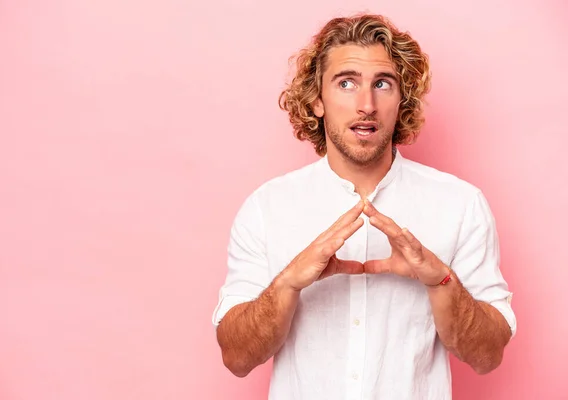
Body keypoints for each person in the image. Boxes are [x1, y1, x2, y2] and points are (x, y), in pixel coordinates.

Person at [211, 13, 516, 400]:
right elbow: (236, 358)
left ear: (401, 99)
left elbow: (487, 356)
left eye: (383, 84)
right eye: (346, 83)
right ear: (317, 100)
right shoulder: (266, 208)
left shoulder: (461, 204)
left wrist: (440, 279)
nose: (366, 104)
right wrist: (287, 283)